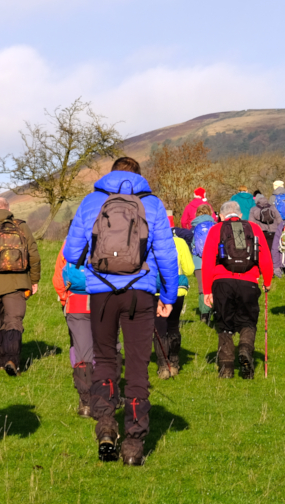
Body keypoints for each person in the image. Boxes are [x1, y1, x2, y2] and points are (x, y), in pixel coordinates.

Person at [63, 156, 179, 466]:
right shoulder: (152, 204)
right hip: (141, 293)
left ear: (111, 174)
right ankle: (133, 446)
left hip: (101, 292)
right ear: (139, 177)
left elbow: (72, 251)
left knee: (105, 359)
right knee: (138, 367)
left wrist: (80, 271)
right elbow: (166, 254)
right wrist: (167, 294)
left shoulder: (92, 201)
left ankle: (105, 427)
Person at [200, 201, 274, 379]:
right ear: (240, 215)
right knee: (248, 321)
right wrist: (268, 279)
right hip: (248, 282)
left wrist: (207, 289)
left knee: (224, 323)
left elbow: (208, 260)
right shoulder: (254, 228)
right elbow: (265, 257)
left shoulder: (216, 229)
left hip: (222, 282)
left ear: (222, 216)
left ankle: (226, 369)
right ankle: (244, 348)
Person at [0, 196, 40, 376]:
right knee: (14, 320)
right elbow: (34, 254)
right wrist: (34, 280)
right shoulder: (20, 226)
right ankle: (12, 359)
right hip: (17, 282)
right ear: (8, 209)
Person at [53, 244, 95, 417]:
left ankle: (85, 403)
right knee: (107, 348)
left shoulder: (68, 244)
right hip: (104, 301)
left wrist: (65, 298)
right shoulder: (109, 236)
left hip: (76, 303)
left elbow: (58, 278)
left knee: (81, 352)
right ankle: (108, 395)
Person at [154, 229, 194, 379]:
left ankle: (163, 366)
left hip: (156, 290)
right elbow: (189, 270)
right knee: (173, 326)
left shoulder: (151, 241)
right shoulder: (180, 242)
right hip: (177, 290)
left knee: (159, 328)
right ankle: (174, 363)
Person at [189, 203, 216, 325]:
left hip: (198, 262)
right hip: (213, 260)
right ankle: (214, 310)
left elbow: (192, 245)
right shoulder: (215, 226)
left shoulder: (194, 227)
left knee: (202, 288)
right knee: (214, 286)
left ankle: (204, 315)